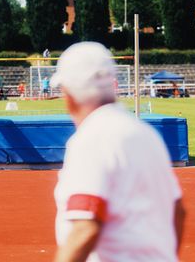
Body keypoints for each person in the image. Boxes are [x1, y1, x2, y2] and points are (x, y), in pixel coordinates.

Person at [50, 42, 185, 261]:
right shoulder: (145, 134)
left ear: (69, 94)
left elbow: (85, 228)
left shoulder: (90, 139)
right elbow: (178, 210)